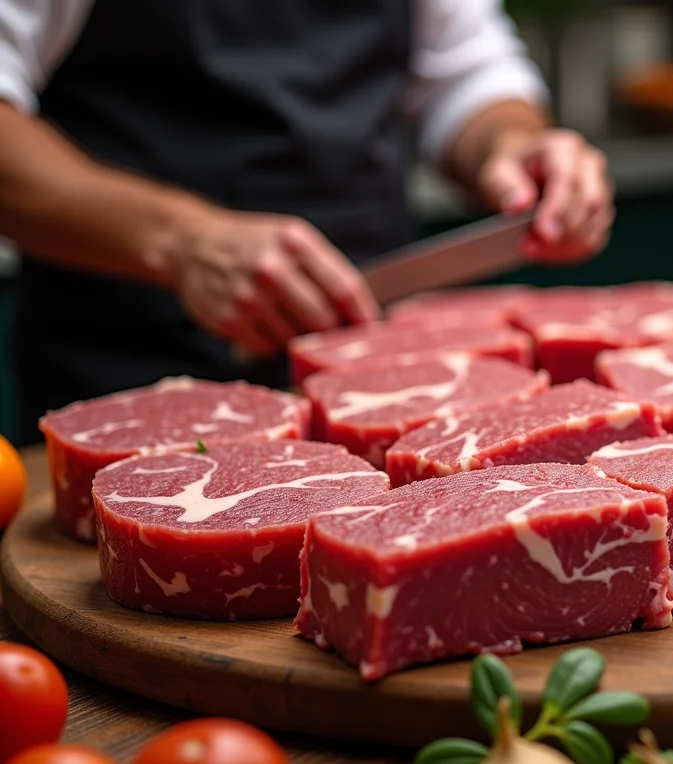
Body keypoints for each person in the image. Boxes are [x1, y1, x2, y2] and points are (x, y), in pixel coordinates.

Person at [0, 1, 615, 444]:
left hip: (379, 382)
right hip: (135, 383)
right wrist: (181, 240)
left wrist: (510, 145)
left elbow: (469, 75)